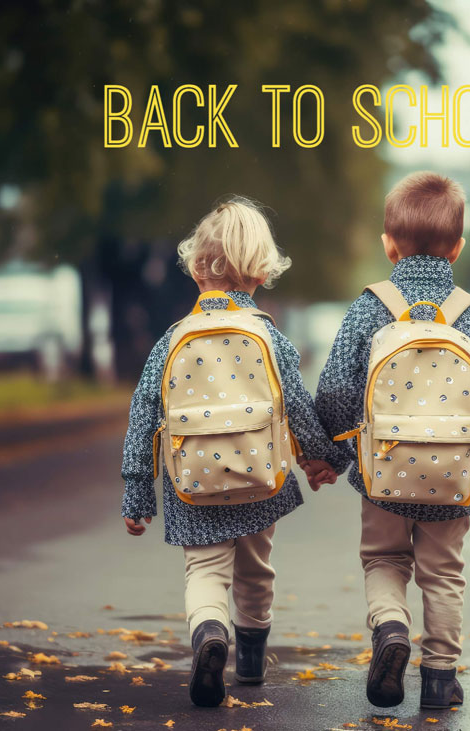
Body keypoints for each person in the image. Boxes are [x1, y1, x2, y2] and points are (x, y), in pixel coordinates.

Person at [313, 171, 470, 709]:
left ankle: (390, 628)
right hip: (453, 478)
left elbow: (338, 390)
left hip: (383, 472)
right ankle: (440, 677)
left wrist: (329, 453)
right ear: (457, 248)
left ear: (389, 245)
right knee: (444, 573)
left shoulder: (370, 307)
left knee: (384, 560)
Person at [120, 197, 343, 707]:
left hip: (191, 484)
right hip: (260, 477)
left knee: (205, 571)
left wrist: (137, 492)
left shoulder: (172, 340)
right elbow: (299, 408)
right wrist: (318, 459)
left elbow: (142, 418)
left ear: (197, 269)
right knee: (256, 570)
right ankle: (248, 659)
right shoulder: (270, 336)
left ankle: (208, 634)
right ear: (261, 274)